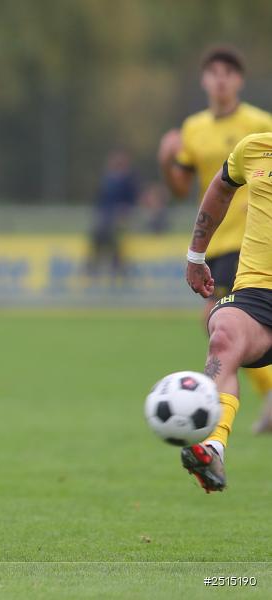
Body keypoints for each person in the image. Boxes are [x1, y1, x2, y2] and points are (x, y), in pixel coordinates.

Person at [158, 45, 272, 433]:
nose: (221, 80)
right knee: (221, 323)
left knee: (220, 321)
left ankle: (261, 396)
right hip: (217, 243)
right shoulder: (193, 129)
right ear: (204, 80)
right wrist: (166, 161)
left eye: (228, 73)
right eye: (214, 73)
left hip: (249, 241)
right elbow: (182, 189)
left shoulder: (258, 123)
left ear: (239, 81)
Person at [183, 131, 272, 493]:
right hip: (257, 289)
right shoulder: (255, 148)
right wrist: (196, 255)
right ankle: (212, 447)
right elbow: (221, 187)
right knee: (222, 336)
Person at [87, 149, 139, 279]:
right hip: (106, 216)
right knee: (99, 235)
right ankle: (94, 266)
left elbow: (131, 200)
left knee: (114, 237)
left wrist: (125, 212)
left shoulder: (128, 180)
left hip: (118, 218)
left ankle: (116, 267)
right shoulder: (107, 179)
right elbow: (100, 199)